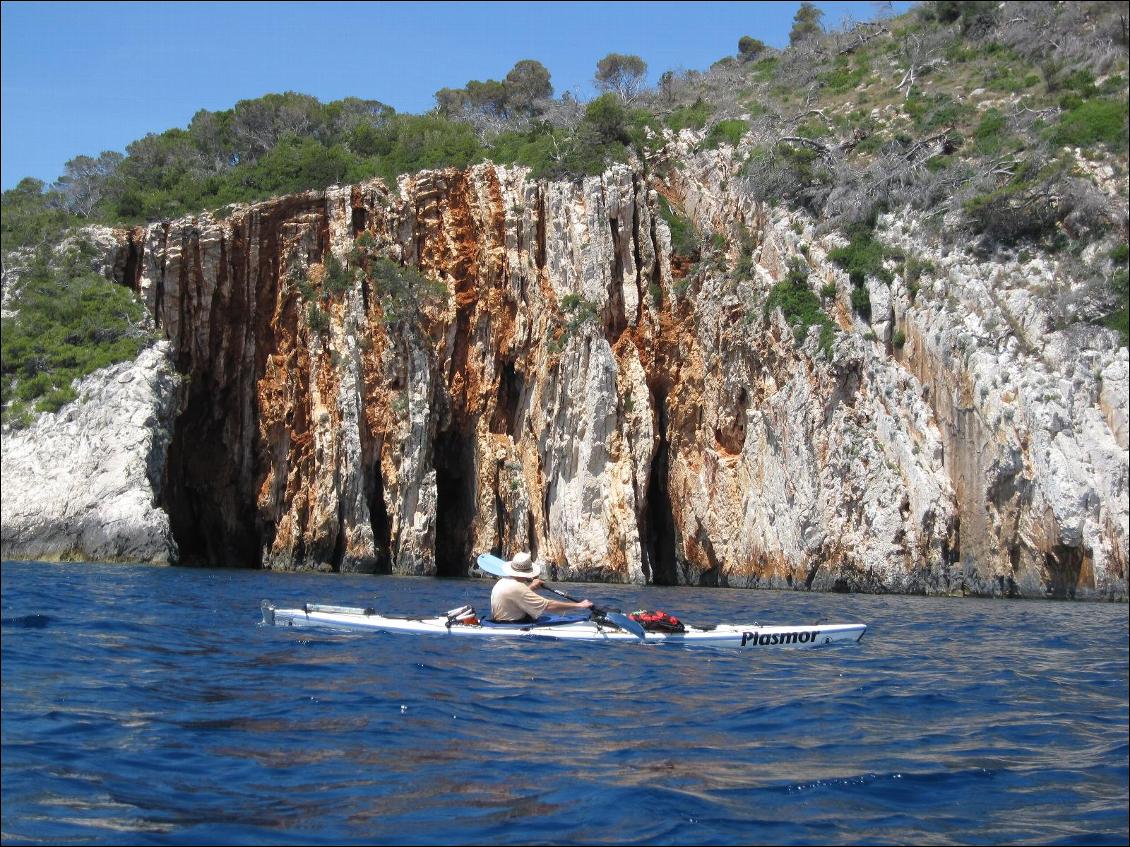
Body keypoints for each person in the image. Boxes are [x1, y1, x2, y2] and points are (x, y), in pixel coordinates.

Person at [490, 552, 594, 622]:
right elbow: (548, 606)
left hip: (501, 622)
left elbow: (516, 596)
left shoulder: (502, 582)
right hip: (514, 626)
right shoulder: (517, 587)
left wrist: (531, 587)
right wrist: (580, 605)